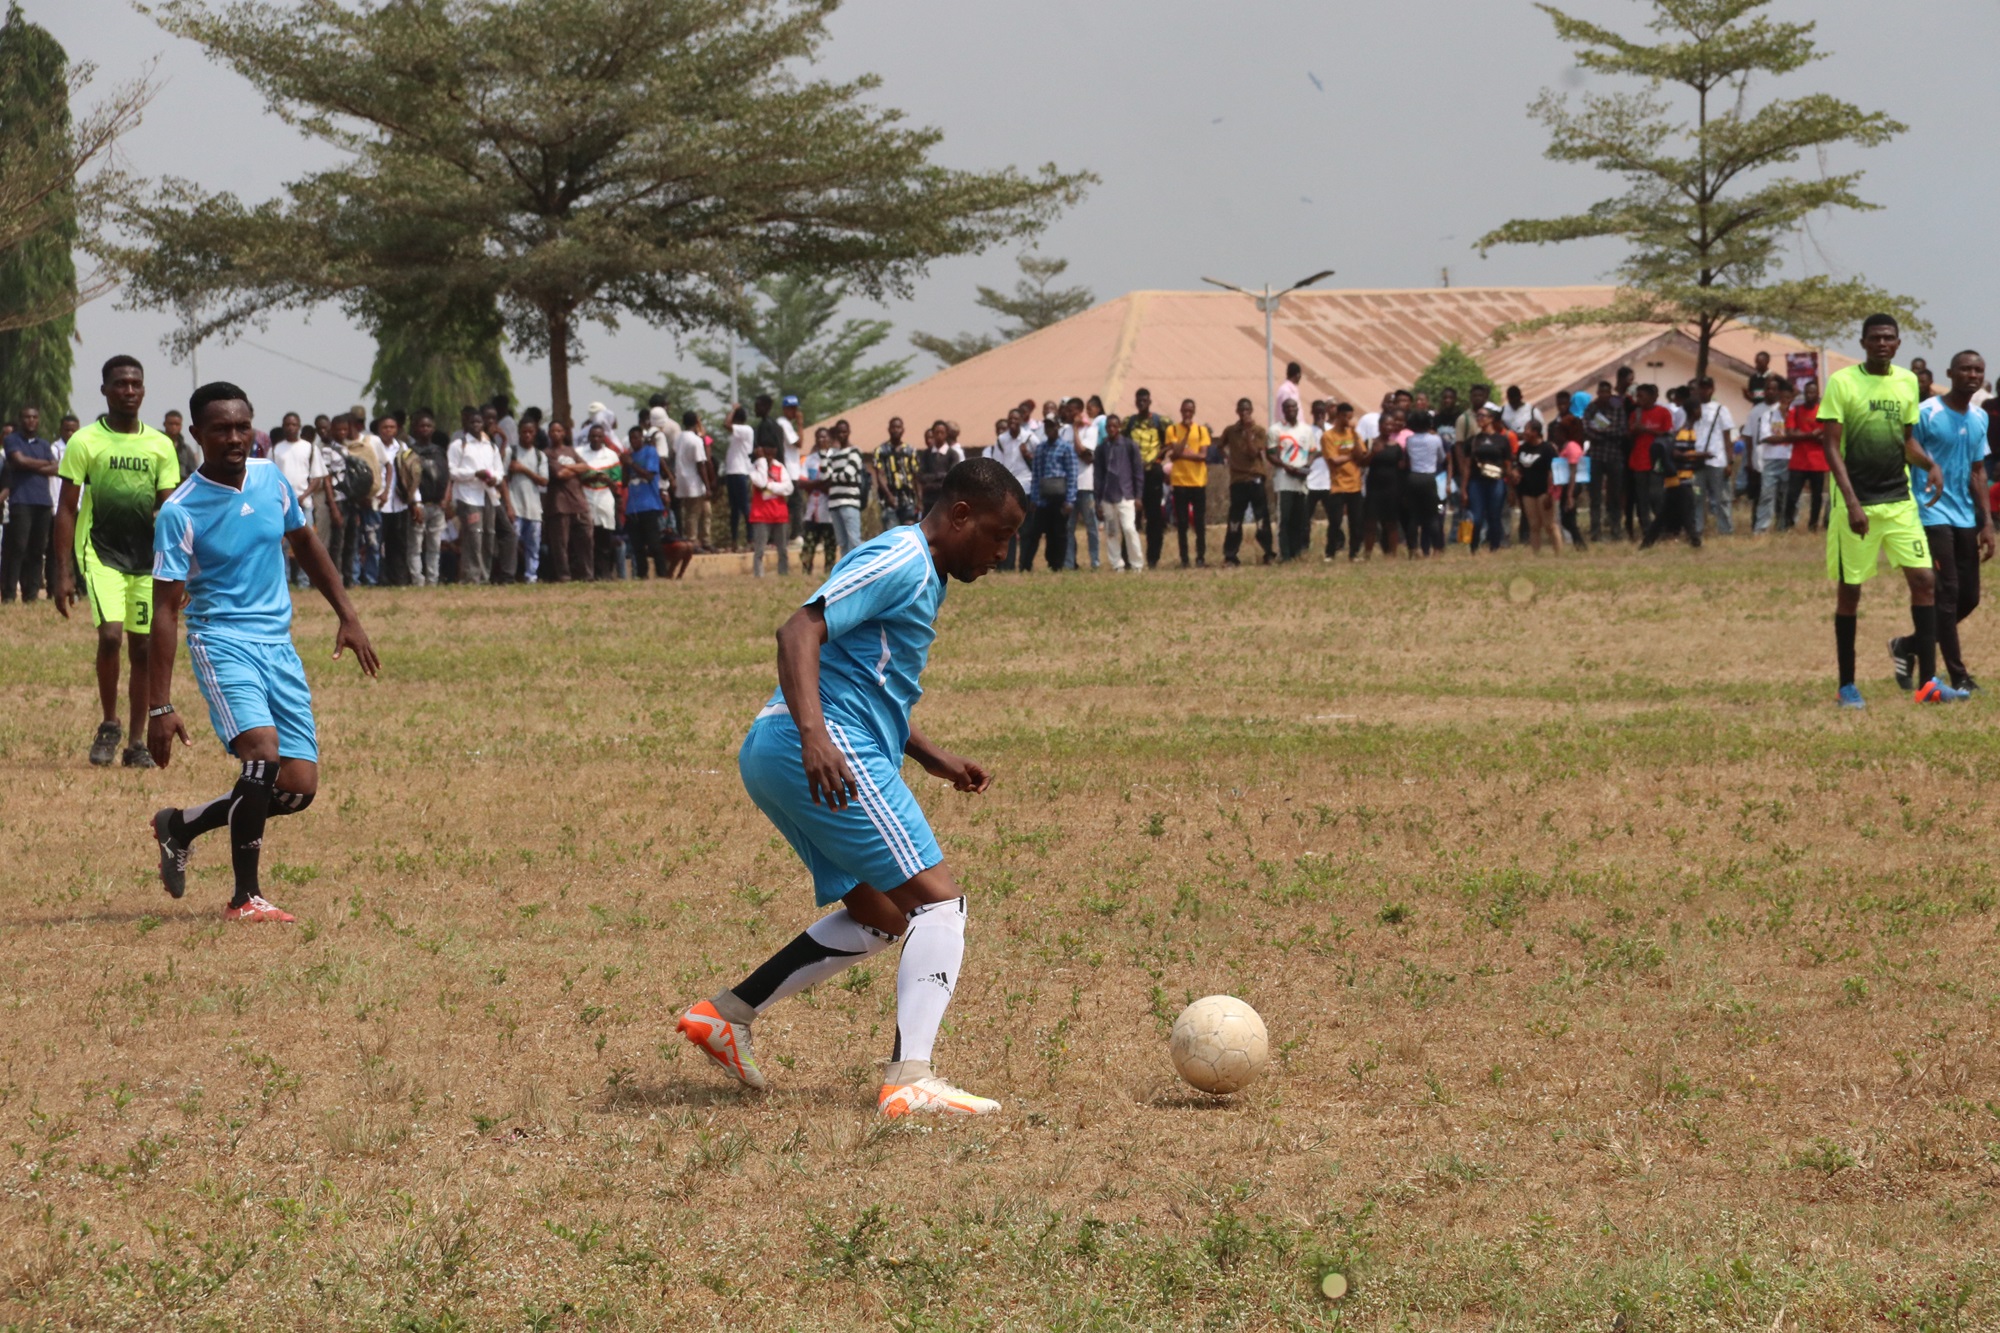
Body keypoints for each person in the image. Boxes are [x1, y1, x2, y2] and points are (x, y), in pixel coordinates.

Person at [675, 458, 1027, 1117]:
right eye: (999, 535)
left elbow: (868, 681)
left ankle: (726, 1015)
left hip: (786, 749)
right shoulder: (902, 557)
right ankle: (911, 1078)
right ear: (960, 516)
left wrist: (932, 756)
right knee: (937, 904)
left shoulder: (925, 573)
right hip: (813, 745)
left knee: (883, 914)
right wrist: (816, 736)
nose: (1002, 553)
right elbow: (798, 629)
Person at [146, 380, 380, 923]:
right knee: (262, 754)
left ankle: (180, 825)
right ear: (197, 434)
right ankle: (244, 898)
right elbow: (165, 611)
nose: (234, 437)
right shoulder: (179, 511)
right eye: (221, 429)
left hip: (279, 645)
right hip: (222, 642)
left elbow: (306, 543)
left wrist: (348, 615)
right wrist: (160, 706)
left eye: (242, 426)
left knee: (297, 787)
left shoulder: (271, 479)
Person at [1817, 315, 1959, 706]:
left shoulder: (1907, 381)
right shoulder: (1843, 382)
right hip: (1857, 504)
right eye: (1875, 337)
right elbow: (1830, 445)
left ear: (1898, 343)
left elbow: (1905, 440)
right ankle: (1847, 685)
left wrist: (1929, 464)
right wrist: (1851, 502)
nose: (1882, 343)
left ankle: (1928, 683)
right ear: (1863, 342)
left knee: (1925, 581)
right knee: (1851, 591)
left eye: (1889, 338)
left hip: (1899, 502)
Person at [54, 356, 182, 767]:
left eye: (135, 384)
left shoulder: (160, 445)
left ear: (143, 390)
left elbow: (172, 511)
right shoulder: (85, 441)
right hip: (101, 552)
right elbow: (66, 508)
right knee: (110, 636)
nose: (129, 390)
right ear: (105, 390)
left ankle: (137, 743)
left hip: (146, 560)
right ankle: (110, 723)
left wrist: (183, 569)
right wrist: (62, 571)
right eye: (121, 384)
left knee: (142, 647)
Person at [1888, 350, 1992, 694]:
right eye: (1965, 369)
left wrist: (1986, 523)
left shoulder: (1979, 417)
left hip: (1964, 515)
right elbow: (1905, 448)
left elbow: (1978, 472)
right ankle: (1959, 675)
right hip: (1930, 512)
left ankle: (1909, 644)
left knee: (1969, 597)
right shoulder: (1926, 412)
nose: (1972, 375)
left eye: (1978, 370)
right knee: (1946, 595)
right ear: (1950, 373)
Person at [2, 405, 58, 603]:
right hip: (21, 501)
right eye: (27, 417)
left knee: (37, 550)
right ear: (21, 419)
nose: (31, 420)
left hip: (43, 502)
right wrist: (43, 464)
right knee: (17, 548)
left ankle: (31, 595)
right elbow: (19, 461)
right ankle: (9, 594)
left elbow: (56, 468)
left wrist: (30, 463)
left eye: (34, 417)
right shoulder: (12, 440)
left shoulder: (44, 444)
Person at [269, 413, 327, 588]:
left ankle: (304, 580)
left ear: (299, 426)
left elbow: (317, 477)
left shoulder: (309, 448)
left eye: (294, 424)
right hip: (280, 505)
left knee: (305, 543)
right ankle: (285, 580)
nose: (290, 427)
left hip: (304, 503)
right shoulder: (275, 450)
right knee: (281, 544)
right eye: (287, 424)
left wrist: (303, 495)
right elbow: (270, 477)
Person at [447, 407, 500, 584]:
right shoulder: (459, 445)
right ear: (466, 424)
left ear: (483, 424)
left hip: (488, 495)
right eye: (472, 422)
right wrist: (474, 474)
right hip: (468, 497)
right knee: (473, 535)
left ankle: (484, 576)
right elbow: (452, 471)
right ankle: (471, 576)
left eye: (478, 422)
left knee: (489, 535)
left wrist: (495, 479)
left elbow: (499, 470)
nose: (476, 425)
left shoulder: (490, 446)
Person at [1220, 398, 1273, 565]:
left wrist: (1249, 433)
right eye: (1241, 410)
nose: (1244, 413)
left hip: (1255, 478)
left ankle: (1268, 552)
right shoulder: (1230, 431)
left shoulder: (1259, 431)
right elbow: (1219, 446)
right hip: (1238, 480)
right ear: (1237, 411)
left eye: (1247, 410)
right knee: (1235, 519)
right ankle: (1230, 555)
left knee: (1261, 517)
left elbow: (1253, 453)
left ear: (1251, 411)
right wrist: (1228, 458)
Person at [1029, 400, 1078, 570]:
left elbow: (1072, 475)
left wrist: (1070, 500)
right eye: (1046, 426)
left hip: (1060, 497)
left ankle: (1057, 565)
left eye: (1052, 426)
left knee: (1059, 532)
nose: (1049, 429)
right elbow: (1036, 475)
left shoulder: (1066, 448)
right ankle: (1028, 564)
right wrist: (1034, 498)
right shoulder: (1040, 448)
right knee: (1039, 532)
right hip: (1043, 498)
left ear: (1057, 427)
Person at [542, 420, 593, 582]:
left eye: (559, 431)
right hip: (559, 503)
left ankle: (587, 574)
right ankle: (564, 575)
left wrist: (569, 468)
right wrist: (576, 468)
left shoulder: (571, 451)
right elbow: (559, 474)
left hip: (579, 501)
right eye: (553, 431)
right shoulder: (547, 454)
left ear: (564, 433)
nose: (556, 434)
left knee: (585, 539)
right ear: (549, 433)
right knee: (560, 543)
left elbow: (586, 467)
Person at [620, 411, 668, 579]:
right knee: (637, 545)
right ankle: (642, 574)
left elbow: (649, 476)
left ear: (641, 438)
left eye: (636, 438)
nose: (634, 441)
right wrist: (625, 466)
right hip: (633, 507)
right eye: (631, 439)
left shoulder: (650, 452)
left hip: (650, 504)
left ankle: (662, 573)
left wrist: (632, 463)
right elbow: (624, 483)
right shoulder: (630, 457)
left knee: (654, 543)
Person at [1165, 397, 1211, 568]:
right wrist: (1184, 437)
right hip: (1180, 482)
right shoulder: (1172, 429)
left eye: (1190, 411)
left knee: (1199, 522)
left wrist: (1180, 454)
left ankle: (1200, 557)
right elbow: (1175, 451)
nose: (1187, 414)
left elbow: (1203, 456)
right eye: (1185, 410)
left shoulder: (1201, 430)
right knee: (1182, 522)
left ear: (1194, 412)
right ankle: (1184, 559)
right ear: (1181, 411)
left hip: (1198, 481)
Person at [1094, 412, 1143, 572]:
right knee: (1111, 532)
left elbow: (1138, 472)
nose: (1111, 429)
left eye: (1114, 426)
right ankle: (1117, 564)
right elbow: (1098, 475)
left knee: (1129, 529)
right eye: (1108, 426)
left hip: (1125, 495)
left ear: (1119, 427)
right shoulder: (1102, 448)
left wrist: (1138, 496)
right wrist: (1097, 500)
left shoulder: (1129, 445)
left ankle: (1137, 564)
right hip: (1107, 496)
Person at [1127, 389, 1171, 568]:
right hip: (1133, 474)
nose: (1141, 403)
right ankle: (1129, 558)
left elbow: (1171, 441)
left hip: (1153, 473)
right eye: (1139, 400)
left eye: (1144, 400)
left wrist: (1158, 455)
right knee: (1131, 518)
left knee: (1154, 518)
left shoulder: (1160, 422)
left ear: (1150, 401)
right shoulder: (1129, 422)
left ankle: (1153, 558)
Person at [1688, 377, 1736, 538]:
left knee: (1722, 498)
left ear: (1712, 389)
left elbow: (1727, 437)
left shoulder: (1721, 409)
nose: (1703, 391)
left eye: (1707, 387)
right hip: (1697, 460)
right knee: (1697, 497)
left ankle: (1725, 530)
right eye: (1701, 387)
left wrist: (1729, 462)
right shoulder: (1691, 409)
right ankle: (1698, 530)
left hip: (1717, 460)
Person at [1781, 379, 1829, 532]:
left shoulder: (1824, 412)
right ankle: (1787, 524)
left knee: (1817, 496)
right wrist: (1812, 435)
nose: (1809, 395)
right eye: (1807, 392)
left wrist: (1801, 434)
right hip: (1798, 461)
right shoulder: (1795, 411)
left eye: (1812, 392)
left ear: (1817, 394)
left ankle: (1813, 525)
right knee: (1792, 495)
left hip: (1818, 462)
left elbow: (1826, 437)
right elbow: (1789, 434)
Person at [506, 416, 550, 583]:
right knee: (513, 543)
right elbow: (503, 478)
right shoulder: (511, 452)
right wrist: (508, 505)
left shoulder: (540, 456)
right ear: (519, 432)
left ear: (535, 433)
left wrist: (523, 469)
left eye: (530, 432)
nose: (527, 435)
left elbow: (544, 481)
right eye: (524, 432)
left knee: (533, 545)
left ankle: (531, 576)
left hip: (533, 508)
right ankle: (511, 574)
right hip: (515, 505)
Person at [577, 421, 623, 580]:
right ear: (588, 437)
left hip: (604, 498)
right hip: (586, 496)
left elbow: (617, 484)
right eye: (593, 436)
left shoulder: (611, 455)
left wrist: (607, 480)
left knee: (604, 539)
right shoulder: (580, 453)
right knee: (587, 539)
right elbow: (576, 477)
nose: (596, 439)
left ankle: (604, 573)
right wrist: (591, 477)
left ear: (604, 438)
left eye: (599, 436)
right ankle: (588, 573)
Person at [1583, 379, 1627, 542]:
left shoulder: (1618, 407)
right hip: (1596, 456)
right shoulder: (1591, 408)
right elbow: (1587, 430)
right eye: (1601, 392)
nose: (1604, 395)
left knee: (1614, 495)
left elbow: (1621, 431)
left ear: (1610, 393)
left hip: (1614, 456)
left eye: (1607, 392)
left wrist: (1601, 431)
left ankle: (1616, 530)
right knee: (1595, 497)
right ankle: (1595, 531)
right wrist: (1607, 431)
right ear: (1597, 393)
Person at [1627, 382, 1673, 537]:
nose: (1638, 400)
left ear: (1652, 397)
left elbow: (1667, 435)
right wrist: (1633, 431)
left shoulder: (1663, 412)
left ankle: (1661, 527)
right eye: (1637, 396)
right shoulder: (1636, 414)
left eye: (1642, 396)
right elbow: (1630, 435)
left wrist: (1646, 430)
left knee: (1656, 496)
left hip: (1657, 461)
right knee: (1642, 498)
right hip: (1639, 461)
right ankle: (1647, 529)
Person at [1268, 398, 1311, 561]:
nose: (1291, 410)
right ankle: (1284, 554)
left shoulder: (1306, 430)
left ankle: (1296, 552)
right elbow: (1271, 454)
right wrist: (1286, 466)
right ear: (1283, 410)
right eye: (1288, 407)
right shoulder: (1275, 430)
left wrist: (1307, 465)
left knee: (1298, 519)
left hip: (1301, 481)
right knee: (1284, 519)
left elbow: (1313, 451)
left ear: (1298, 409)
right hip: (1284, 481)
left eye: (1294, 407)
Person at [1463, 408, 1511, 554]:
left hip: (1496, 481)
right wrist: (1464, 489)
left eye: (1482, 416)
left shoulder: (1502, 439)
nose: (1479, 419)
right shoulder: (1473, 440)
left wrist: (1510, 486)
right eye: (1477, 416)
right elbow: (1467, 466)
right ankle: (1473, 546)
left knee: (1494, 515)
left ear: (1491, 419)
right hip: (1477, 481)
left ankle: (1494, 547)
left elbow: (1507, 464)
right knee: (1476, 517)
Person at [409, 419, 451, 585]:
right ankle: (417, 580)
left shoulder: (439, 451)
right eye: (422, 425)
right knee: (416, 545)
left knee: (435, 545)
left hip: (437, 505)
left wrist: (446, 498)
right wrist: (414, 503)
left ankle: (432, 579)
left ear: (433, 429)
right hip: (419, 506)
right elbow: (408, 480)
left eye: (428, 426)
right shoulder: (410, 452)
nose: (425, 429)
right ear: (415, 428)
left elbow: (448, 476)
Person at [1511, 418, 1561, 554]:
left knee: (1549, 525)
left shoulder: (1547, 449)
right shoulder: (1522, 448)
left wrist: (1550, 493)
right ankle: (1536, 555)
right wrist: (1515, 473)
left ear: (1535, 432)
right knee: (1533, 525)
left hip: (1544, 490)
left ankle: (1558, 553)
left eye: (1527, 430)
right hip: (1527, 490)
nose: (1524, 433)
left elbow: (1552, 472)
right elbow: (1519, 466)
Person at [748, 435, 794, 577]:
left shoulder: (780, 467)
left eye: (772, 449)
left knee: (783, 549)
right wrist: (762, 461)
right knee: (759, 550)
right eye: (766, 449)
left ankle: (783, 574)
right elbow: (760, 482)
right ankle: (759, 575)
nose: (769, 452)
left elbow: (788, 488)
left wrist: (770, 486)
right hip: (761, 514)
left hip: (779, 513)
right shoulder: (754, 467)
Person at [1363, 407, 1407, 558]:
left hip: (1392, 489)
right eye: (1386, 424)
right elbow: (1362, 463)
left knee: (1391, 523)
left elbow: (1401, 467)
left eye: (1391, 425)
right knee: (1370, 522)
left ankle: (1392, 554)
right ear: (1380, 426)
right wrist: (1373, 453)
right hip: (1374, 489)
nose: (1389, 427)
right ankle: (1367, 553)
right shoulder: (1371, 442)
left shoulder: (1397, 447)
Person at [1747, 378, 1789, 534]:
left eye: (1774, 389)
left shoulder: (1790, 412)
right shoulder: (1766, 414)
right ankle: (1761, 528)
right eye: (1768, 389)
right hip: (1770, 460)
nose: (1771, 392)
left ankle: (1784, 528)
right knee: (1766, 495)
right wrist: (1790, 438)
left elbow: (1797, 432)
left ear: (1779, 392)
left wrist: (1786, 419)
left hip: (1788, 458)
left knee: (1785, 496)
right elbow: (1765, 437)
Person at [1403, 409, 1448, 556]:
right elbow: (1442, 458)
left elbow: (1407, 458)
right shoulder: (1435, 439)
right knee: (1433, 514)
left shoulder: (1409, 440)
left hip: (1413, 478)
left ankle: (1413, 549)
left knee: (1414, 515)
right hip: (1429, 478)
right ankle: (1437, 548)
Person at [376, 415, 414, 585]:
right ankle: (379, 578)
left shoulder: (402, 448)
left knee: (398, 543)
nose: (388, 431)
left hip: (399, 503)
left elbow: (411, 475)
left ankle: (398, 578)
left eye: (391, 427)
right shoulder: (374, 446)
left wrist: (415, 500)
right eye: (385, 427)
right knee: (378, 543)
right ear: (379, 430)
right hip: (379, 503)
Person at [820, 420, 866, 558]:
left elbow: (847, 475)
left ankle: (858, 568)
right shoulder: (833, 455)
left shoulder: (855, 451)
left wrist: (832, 477)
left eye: (844, 432)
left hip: (849, 503)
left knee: (854, 541)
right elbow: (824, 476)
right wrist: (823, 452)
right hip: (834, 504)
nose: (842, 435)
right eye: (839, 432)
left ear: (849, 432)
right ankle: (846, 569)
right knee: (842, 543)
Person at [1065, 399, 1101, 570]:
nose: (1069, 414)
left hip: (1086, 485)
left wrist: (1075, 430)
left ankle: (1095, 562)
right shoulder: (1065, 431)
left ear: (1079, 411)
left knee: (1091, 526)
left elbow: (1083, 451)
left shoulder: (1090, 429)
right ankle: (1069, 563)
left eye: (1072, 410)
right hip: (1070, 486)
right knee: (1069, 527)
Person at [672, 410, 713, 551]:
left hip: (682, 479)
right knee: (693, 513)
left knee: (705, 511)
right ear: (696, 423)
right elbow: (701, 464)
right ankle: (692, 541)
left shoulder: (679, 438)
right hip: (694, 481)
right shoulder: (696, 441)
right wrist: (708, 486)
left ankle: (705, 540)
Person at [799, 427, 837, 575]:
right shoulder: (809, 460)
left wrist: (814, 484)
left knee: (830, 546)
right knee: (809, 544)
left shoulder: (836, 457)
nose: (822, 440)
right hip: (812, 511)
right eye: (819, 437)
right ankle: (806, 572)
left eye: (824, 437)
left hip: (830, 511)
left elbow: (833, 484)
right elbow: (802, 483)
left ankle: (829, 573)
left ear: (830, 439)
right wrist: (822, 483)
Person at [873, 416, 921, 529]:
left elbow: (916, 477)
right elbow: (879, 475)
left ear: (903, 430)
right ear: (889, 429)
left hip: (908, 499)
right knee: (892, 533)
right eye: (893, 427)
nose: (896, 430)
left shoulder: (910, 451)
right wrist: (889, 495)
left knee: (909, 532)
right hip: (888, 501)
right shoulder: (881, 451)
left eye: (898, 427)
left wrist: (919, 500)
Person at [723, 405, 755, 550]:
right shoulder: (738, 433)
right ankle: (734, 540)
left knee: (745, 507)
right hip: (732, 472)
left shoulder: (745, 429)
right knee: (734, 509)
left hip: (740, 472)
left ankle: (751, 539)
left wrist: (733, 410)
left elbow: (726, 424)